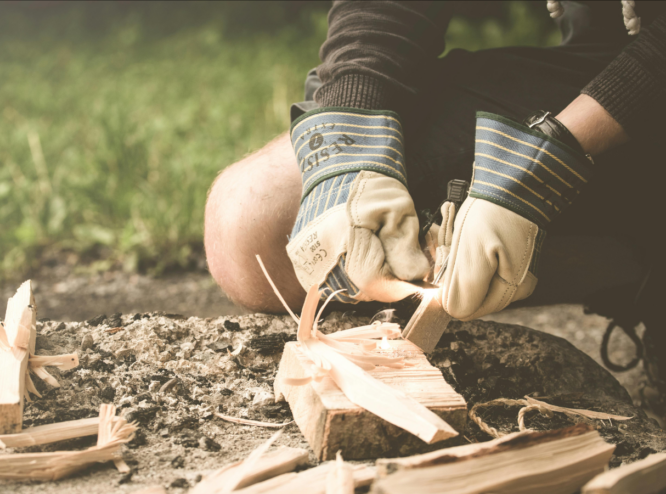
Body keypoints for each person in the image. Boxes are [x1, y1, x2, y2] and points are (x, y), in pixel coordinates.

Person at [205, 0, 665, 404]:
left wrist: (549, 160)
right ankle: (636, 265)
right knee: (251, 221)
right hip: (607, 64)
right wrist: (348, 144)